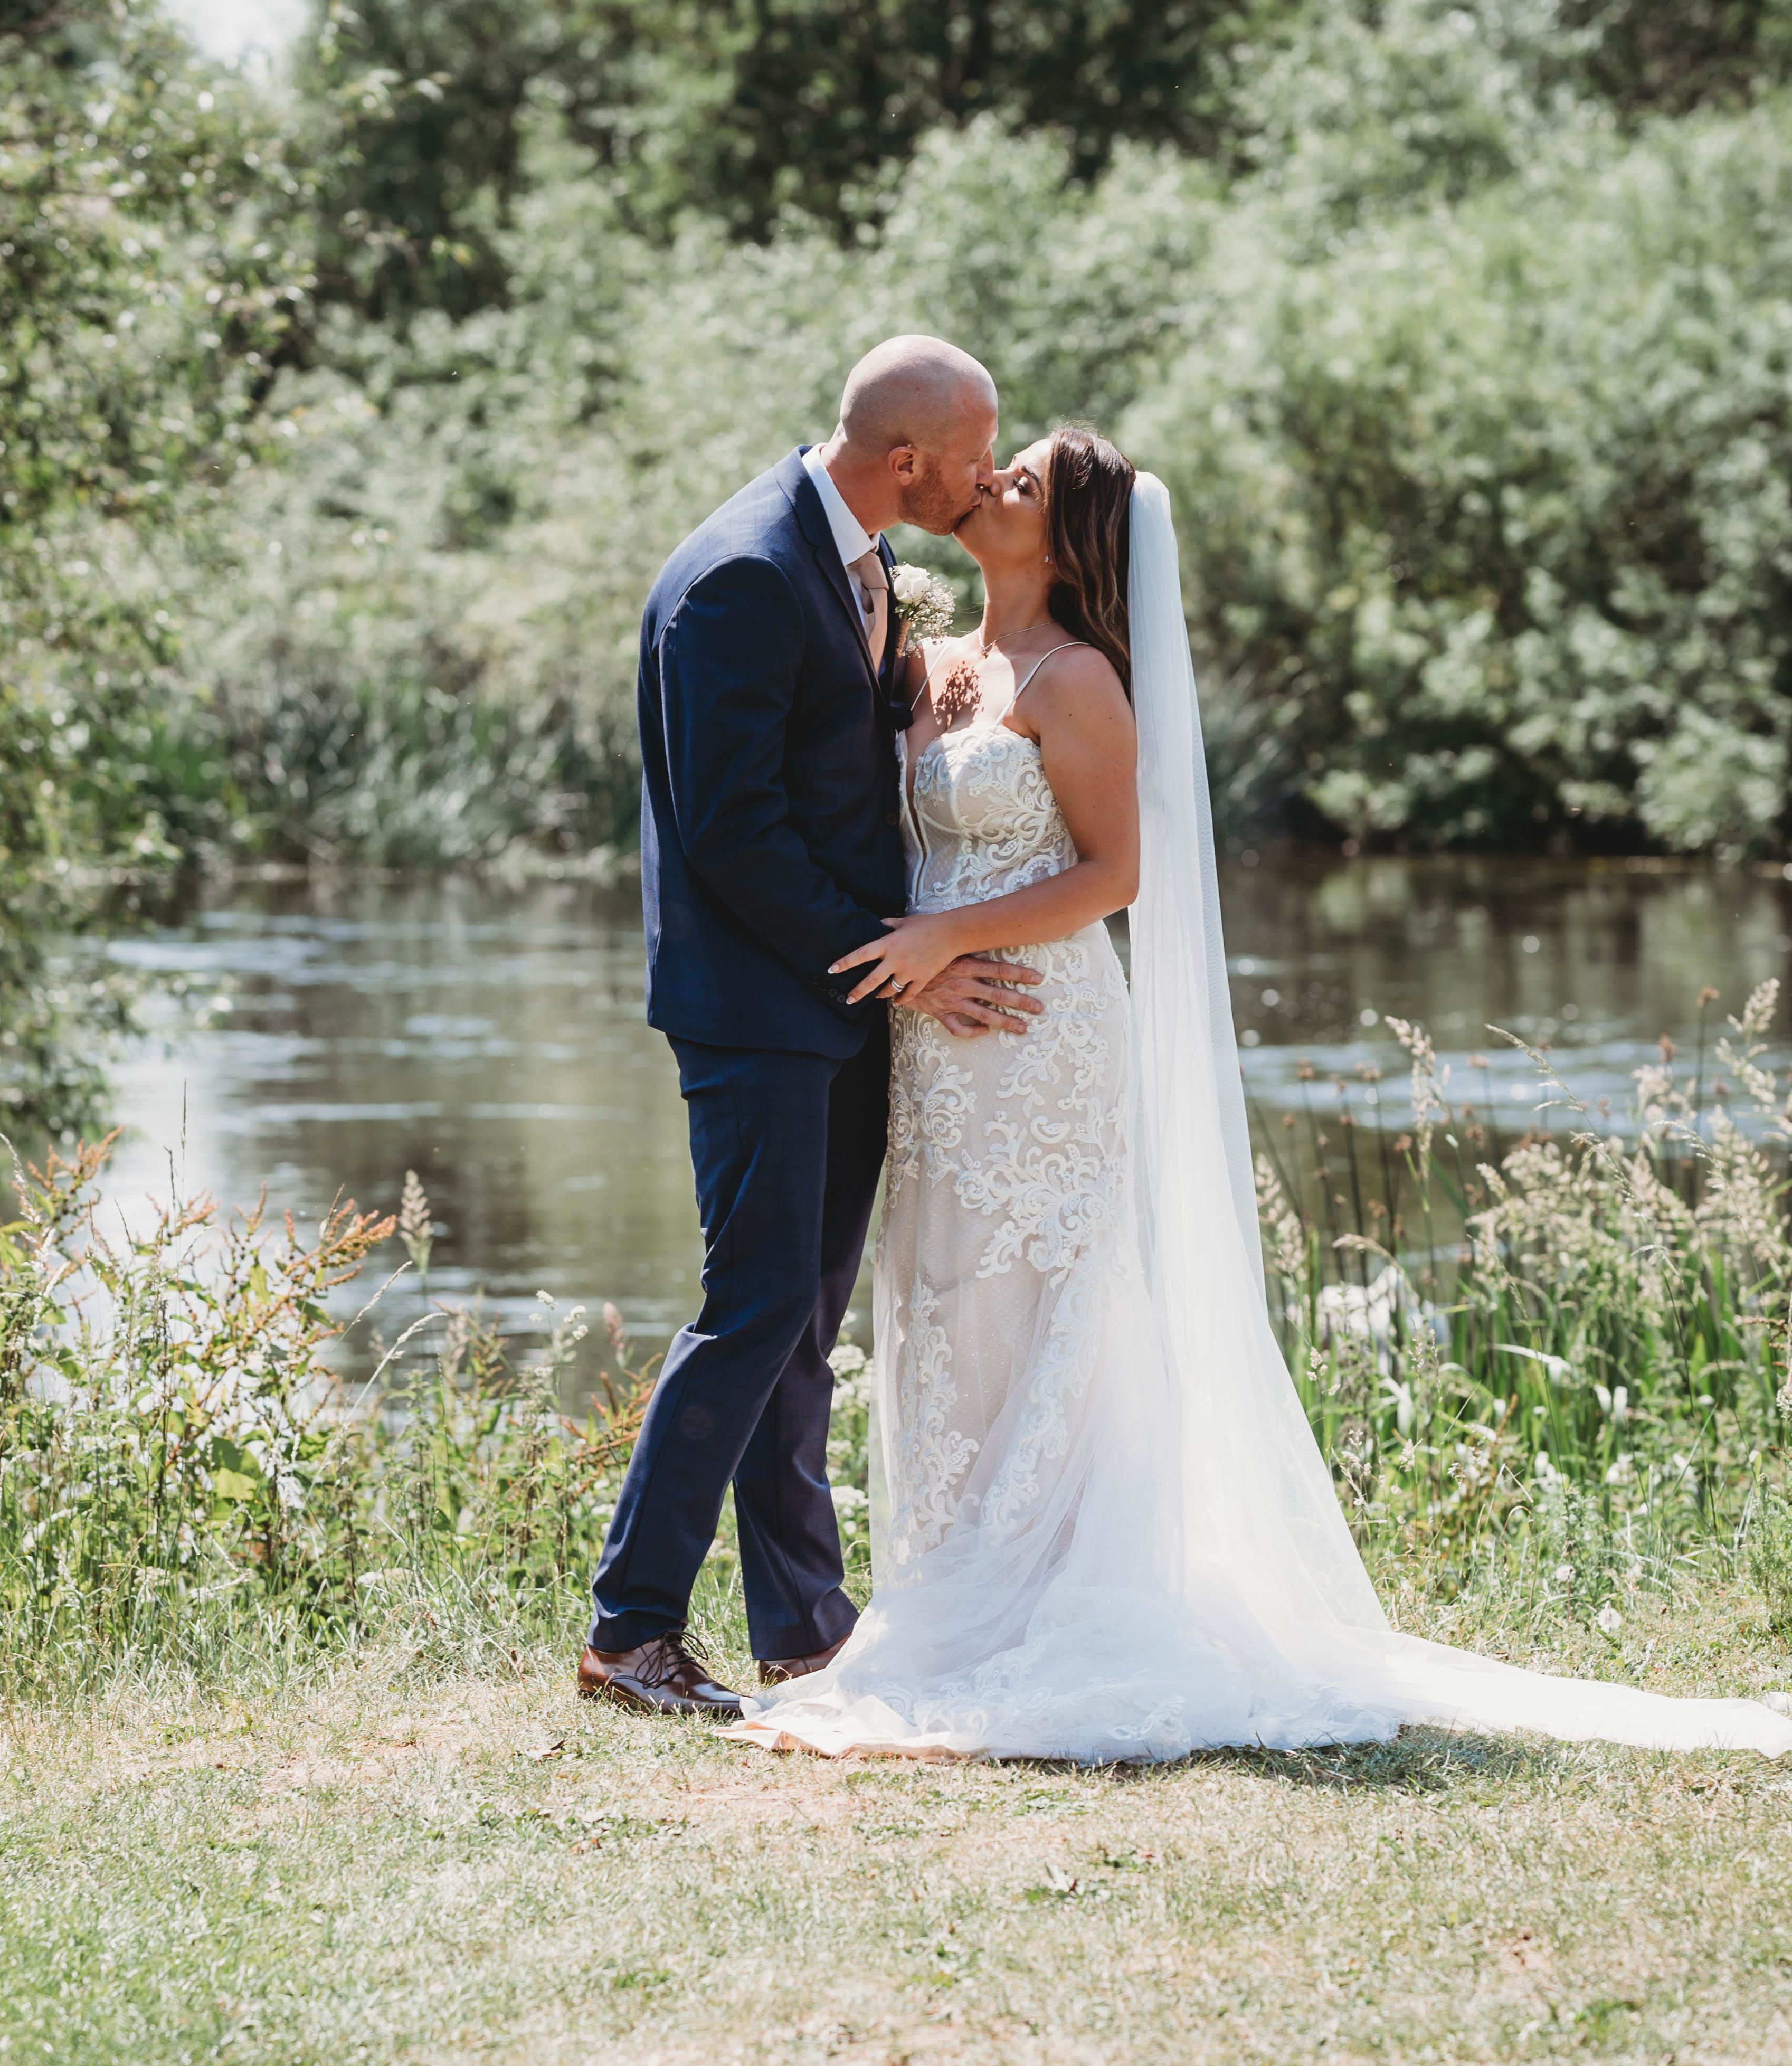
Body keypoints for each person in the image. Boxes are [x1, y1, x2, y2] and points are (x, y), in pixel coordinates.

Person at [732, 426, 1792, 1761]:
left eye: (1024, 484)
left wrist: (949, 939)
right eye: (1000, 470)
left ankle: (1050, 1603)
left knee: (1046, 1296)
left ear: (1068, 543)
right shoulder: (932, 665)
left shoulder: (1080, 683)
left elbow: (1114, 874)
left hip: (1046, 1034)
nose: (992, 483)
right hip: (941, 1047)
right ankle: (946, 1595)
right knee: (942, 1297)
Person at [579, 337, 1045, 1716]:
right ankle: (627, 1633)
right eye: (977, 446)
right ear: (911, 459)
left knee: (799, 1320)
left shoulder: (847, 565)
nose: (987, 469)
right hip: (758, 1011)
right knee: (754, 1307)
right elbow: (733, 835)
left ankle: (802, 1630)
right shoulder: (742, 571)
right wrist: (900, 966)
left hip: (832, 1004)